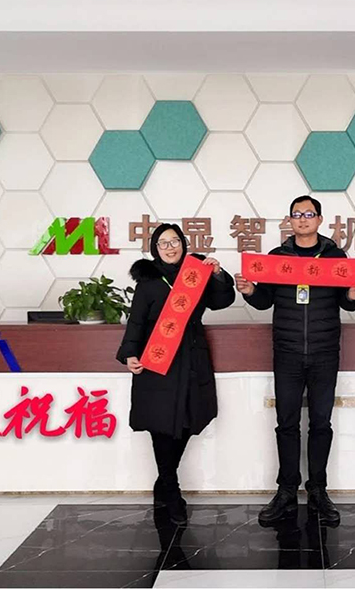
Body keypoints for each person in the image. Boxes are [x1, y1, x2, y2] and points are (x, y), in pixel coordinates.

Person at [235, 195, 355, 526]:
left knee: (321, 423)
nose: (303, 219)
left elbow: (346, 302)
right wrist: (250, 291)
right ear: (289, 220)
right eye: (297, 214)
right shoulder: (277, 258)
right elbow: (265, 301)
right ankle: (286, 490)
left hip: (325, 352)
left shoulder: (335, 257)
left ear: (320, 220)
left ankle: (318, 490)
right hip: (287, 352)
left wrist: (353, 295)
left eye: (309, 214)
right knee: (286, 423)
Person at [116, 222, 235, 526]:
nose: (170, 248)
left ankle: (163, 481)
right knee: (161, 425)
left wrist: (218, 274)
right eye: (163, 243)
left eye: (175, 241)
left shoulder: (195, 274)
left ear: (183, 243)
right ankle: (172, 490)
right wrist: (129, 354)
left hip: (192, 358)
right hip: (157, 361)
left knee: (186, 421)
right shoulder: (148, 281)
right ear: (155, 249)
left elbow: (222, 301)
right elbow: (136, 321)